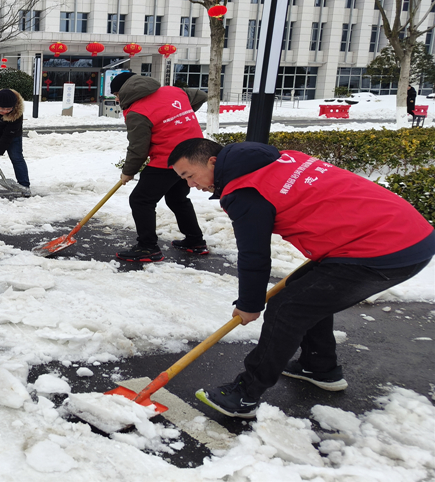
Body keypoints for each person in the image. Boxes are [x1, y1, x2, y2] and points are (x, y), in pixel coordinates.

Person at [168, 138, 435, 419]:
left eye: (189, 175)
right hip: (404, 232)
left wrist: (249, 303)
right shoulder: (282, 159)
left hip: (382, 249)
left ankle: (244, 395)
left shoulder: (245, 190)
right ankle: (319, 366)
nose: (190, 185)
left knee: (288, 307)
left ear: (212, 162)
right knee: (305, 292)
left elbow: (254, 254)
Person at [110, 71, 207, 262]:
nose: (117, 99)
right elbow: (201, 95)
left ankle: (148, 248)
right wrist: (176, 119)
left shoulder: (137, 111)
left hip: (168, 158)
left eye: (116, 95)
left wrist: (128, 172)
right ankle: (195, 241)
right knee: (177, 197)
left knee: (141, 200)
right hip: (194, 152)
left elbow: (138, 148)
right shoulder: (173, 91)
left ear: (124, 91)